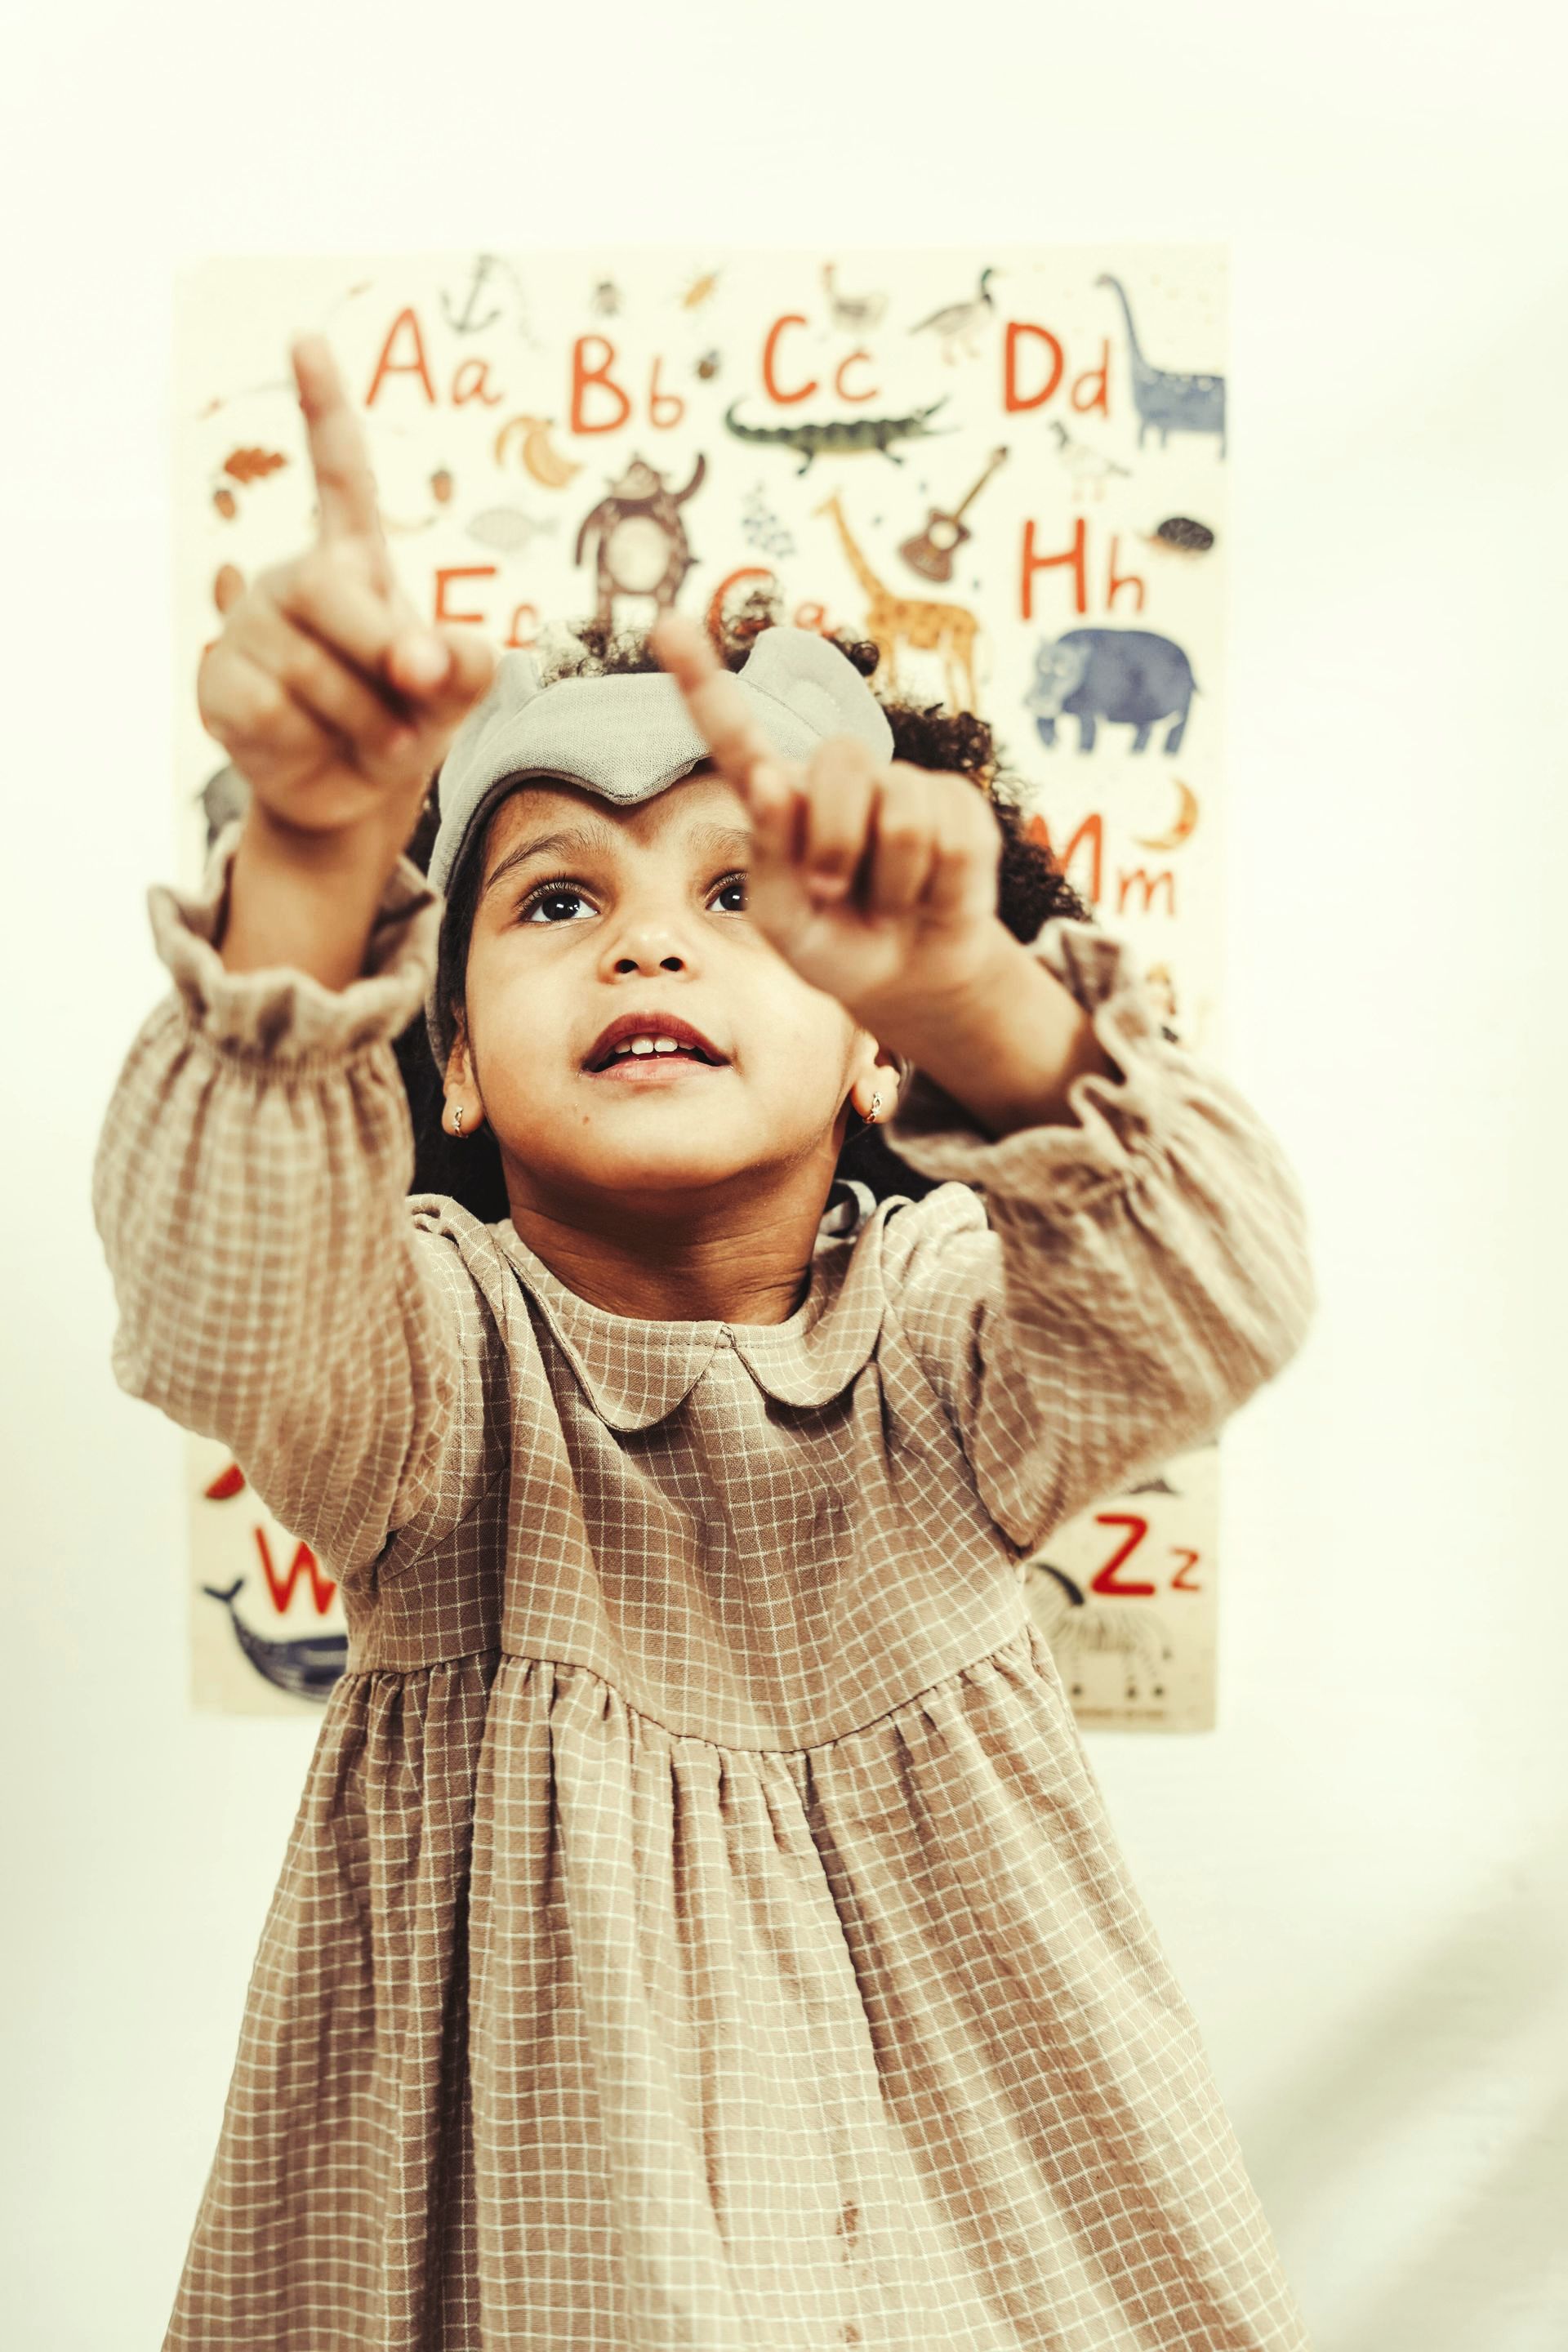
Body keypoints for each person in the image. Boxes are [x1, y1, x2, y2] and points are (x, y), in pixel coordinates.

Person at [92, 335, 1318, 2350]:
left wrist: (980, 1002)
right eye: (557, 895)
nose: (650, 941)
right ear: (455, 1063)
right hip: (504, 2247)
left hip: (977, 2237)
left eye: (743, 894)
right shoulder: (429, 1371)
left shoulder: (936, 1341)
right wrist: (313, 860)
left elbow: (1221, 1300)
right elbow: (218, 1285)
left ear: (862, 1045)